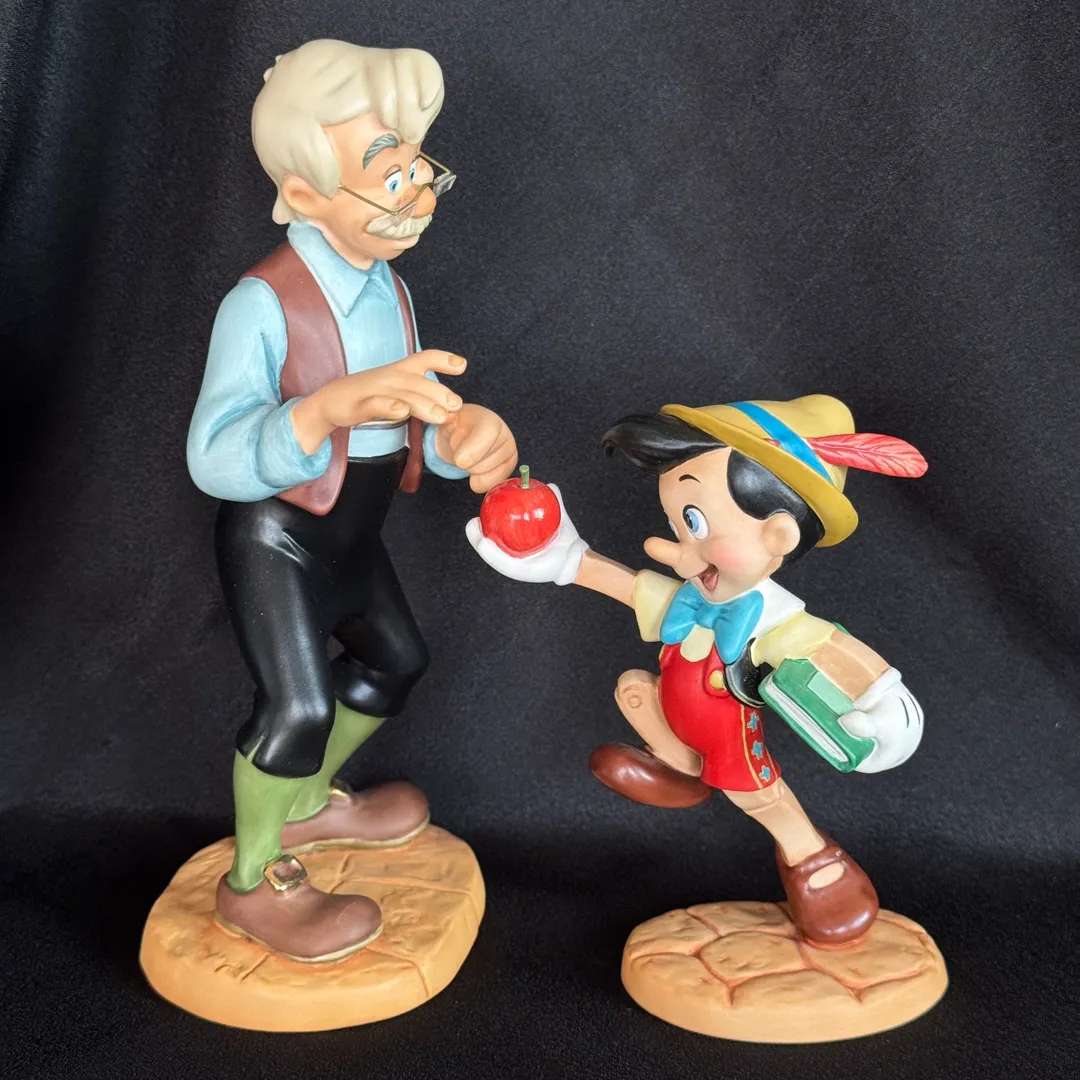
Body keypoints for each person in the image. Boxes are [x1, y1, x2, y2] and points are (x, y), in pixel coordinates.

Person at [187, 40, 517, 962]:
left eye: (418, 171)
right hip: (279, 533)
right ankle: (252, 879)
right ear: (302, 194)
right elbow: (212, 457)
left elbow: (406, 418)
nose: (415, 196)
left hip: (355, 527)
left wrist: (463, 437)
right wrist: (324, 408)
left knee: (396, 661)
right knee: (296, 710)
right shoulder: (259, 304)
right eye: (388, 178)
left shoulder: (389, 287)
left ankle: (299, 802)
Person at [468, 395, 925, 947]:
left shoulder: (777, 623)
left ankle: (813, 859)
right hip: (682, 721)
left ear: (777, 536)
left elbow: (839, 653)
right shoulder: (690, 598)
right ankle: (679, 765)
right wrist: (565, 558)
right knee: (635, 690)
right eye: (677, 524)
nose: (673, 548)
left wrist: (887, 707)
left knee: (757, 797)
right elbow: (625, 585)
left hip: (729, 735)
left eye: (695, 523)